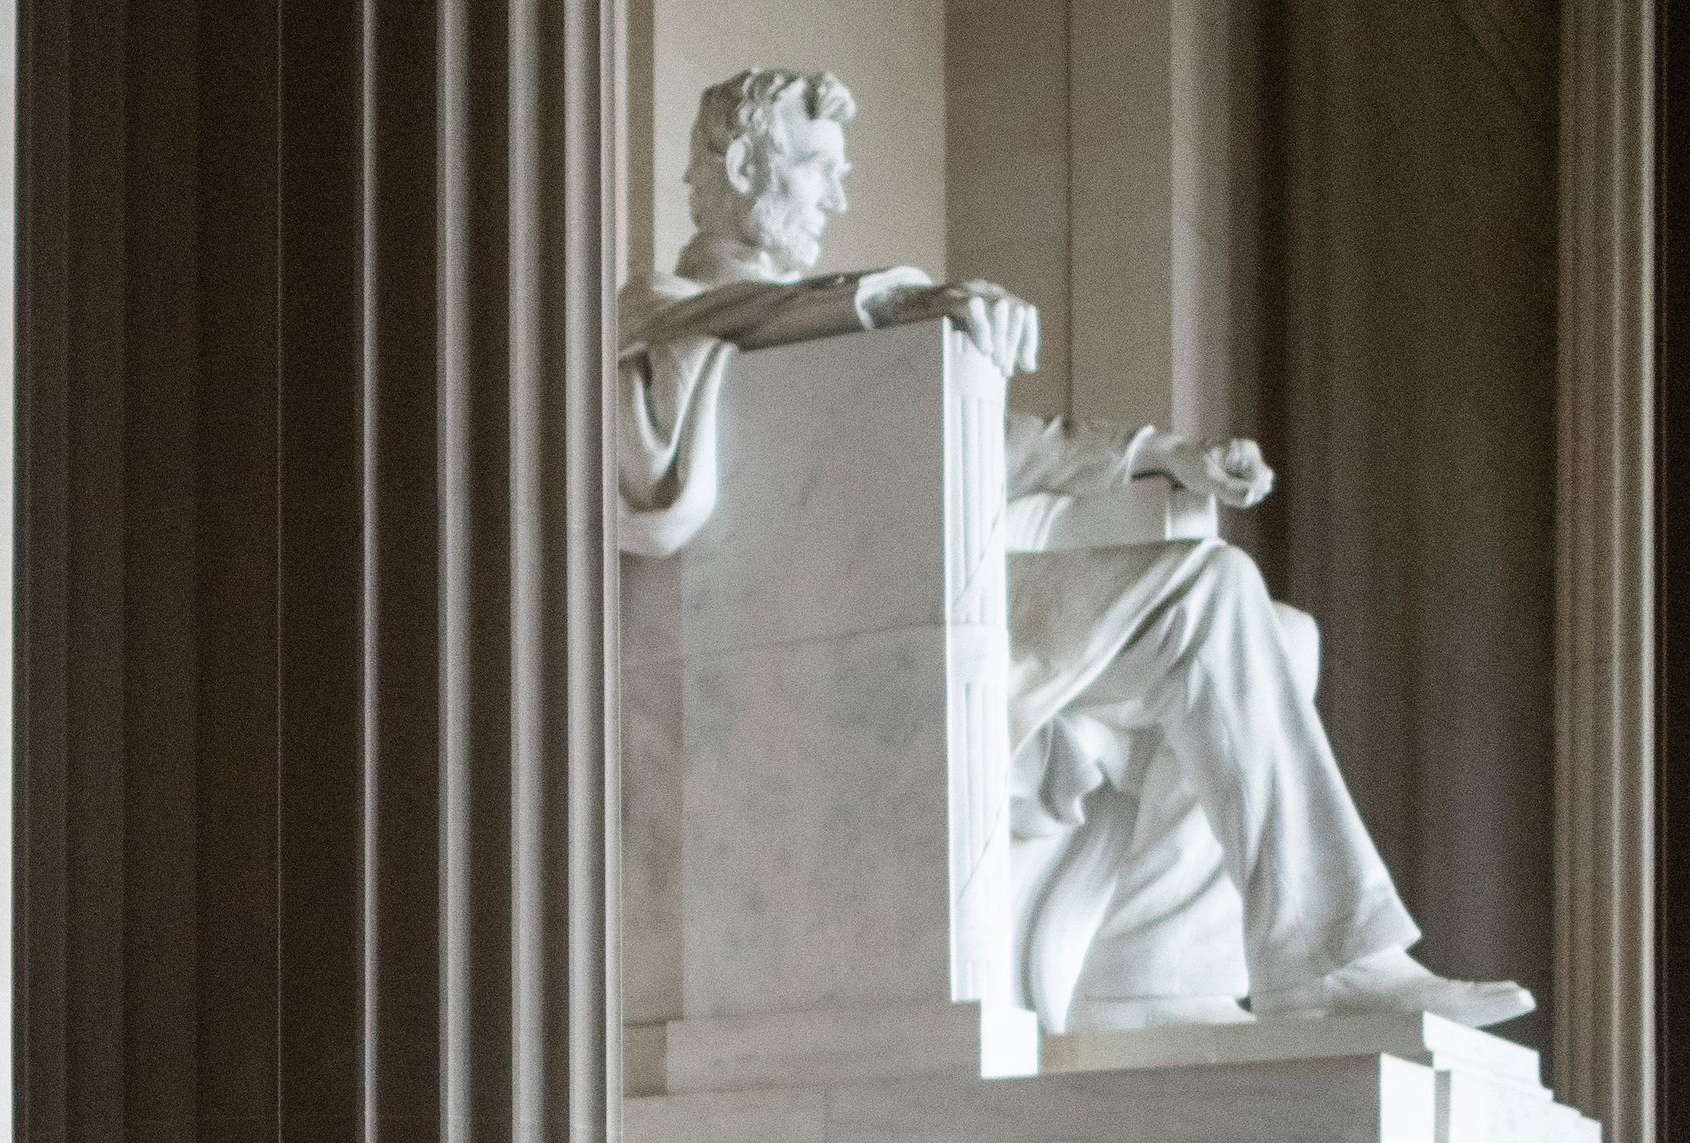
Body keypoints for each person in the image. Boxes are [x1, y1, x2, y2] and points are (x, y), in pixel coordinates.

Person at [612, 68, 1532, 1037]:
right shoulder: (668, 307)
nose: (839, 196)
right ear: (750, 165)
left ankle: (1151, 977)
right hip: (836, 626)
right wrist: (897, 302)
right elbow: (727, 326)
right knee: (1209, 593)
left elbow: (990, 446)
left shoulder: (817, 314)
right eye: (818, 169)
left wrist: (1153, 455)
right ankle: (1334, 957)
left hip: (926, 588)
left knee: (1282, 634)